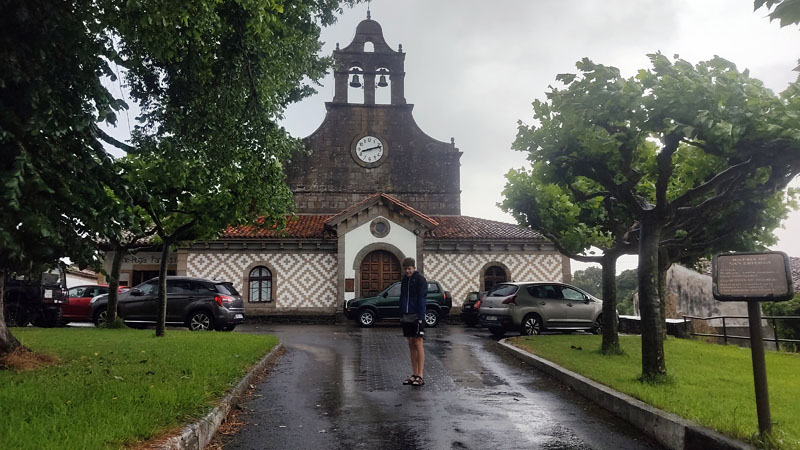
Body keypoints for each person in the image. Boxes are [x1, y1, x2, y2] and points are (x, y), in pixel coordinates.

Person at [399, 257, 427, 387]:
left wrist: (421, 317)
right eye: (405, 269)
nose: (407, 271)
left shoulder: (420, 280)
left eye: (409, 269)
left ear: (414, 268)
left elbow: (422, 298)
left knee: (418, 342)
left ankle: (420, 375)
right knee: (410, 343)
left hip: (416, 315)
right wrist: (401, 313)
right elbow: (402, 297)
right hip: (406, 315)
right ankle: (414, 374)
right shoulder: (404, 280)